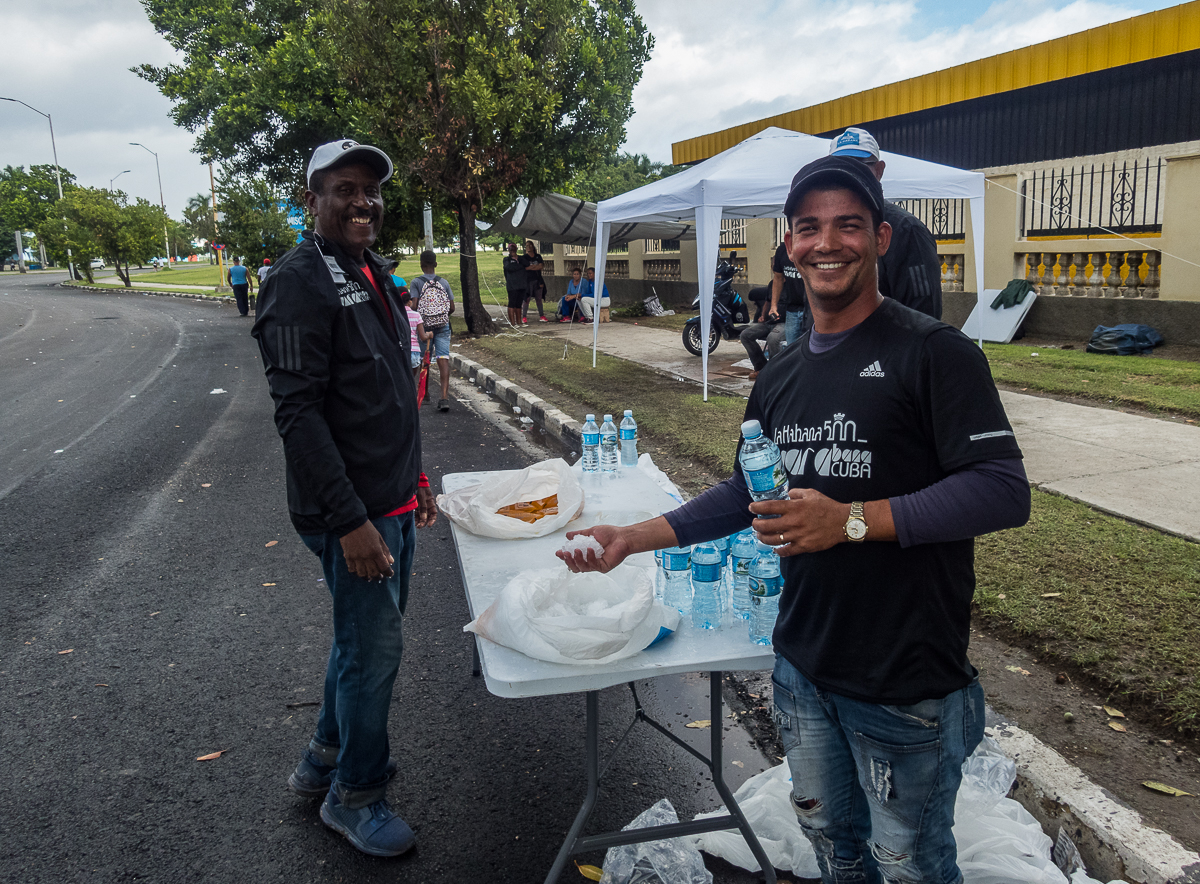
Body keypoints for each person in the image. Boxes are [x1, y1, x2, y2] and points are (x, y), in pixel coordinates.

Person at [558, 155, 1030, 884]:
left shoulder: (934, 353)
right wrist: (636, 536)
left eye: (848, 225)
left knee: (910, 863)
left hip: (905, 682)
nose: (827, 242)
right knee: (832, 847)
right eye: (809, 228)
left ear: (881, 237)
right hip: (803, 667)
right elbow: (747, 491)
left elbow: (1002, 490)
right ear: (789, 245)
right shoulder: (780, 371)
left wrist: (850, 521)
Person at [251, 138, 437, 858]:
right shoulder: (299, 281)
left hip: (390, 500)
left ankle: (323, 757)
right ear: (313, 201)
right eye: (345, 189)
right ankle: (355, 796)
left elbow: (387, 390)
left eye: (372, 190)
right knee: (374, 651)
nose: (364, 201)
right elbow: (298, 414)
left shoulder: (369, 270)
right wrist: (352, 521)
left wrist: (414, 478)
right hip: (350, 515)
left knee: (361, 643)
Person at [829, 127, 943, 319]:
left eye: (860, 166)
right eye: (839, 167)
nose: (848, 175)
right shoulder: (823, 230)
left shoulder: (908, 231)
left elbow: (924, 313)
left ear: (879, 170)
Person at [410, 249, 454, 412]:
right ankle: (444, 397)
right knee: (443, 359)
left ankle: (425, 393)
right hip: (443, 326)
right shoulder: (444, 282)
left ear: (421, 265)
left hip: (424, 326)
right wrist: (440, 316)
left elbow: (414, 306)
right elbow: (452, 307)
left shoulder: (416, 282)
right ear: (436, 264)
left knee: (424, 359)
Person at [770, 241, 807, 345]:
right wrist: (773, 306)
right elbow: (778, 278)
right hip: (792, 310)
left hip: (811, 311)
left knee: (811, 348)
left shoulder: (810, 247)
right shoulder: (782, 250)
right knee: (791, 347)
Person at [738, 298, 784, 378]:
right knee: (745, 335)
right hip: (770, 322)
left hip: (786, 322)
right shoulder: (772, 287)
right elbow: (767, 300)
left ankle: (774, 370)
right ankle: (760, 367)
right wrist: (763, 315)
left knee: (772, 338)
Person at [400, 287, 429, 383]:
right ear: (409, 301)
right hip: (414, 351)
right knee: (410, 380)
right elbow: (423, 337)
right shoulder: (416, 315)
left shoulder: (395, 315)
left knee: (401, 380)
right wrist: (429, 335)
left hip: (401, 351)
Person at [519, 240, 548, 324]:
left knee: (539, 298)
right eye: (527, 246)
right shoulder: (524, 258)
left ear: (533, 247)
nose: (528, 247)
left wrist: (532, 267)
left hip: (538, 280)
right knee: (526, 299)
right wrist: (534, 266)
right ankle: (524, 316)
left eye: (530, 245)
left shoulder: (538, 256)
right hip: (528, 281)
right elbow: (525, 268)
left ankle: (541, 315)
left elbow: (541, 266)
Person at [502, 242, 527, 327]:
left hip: (521, 284)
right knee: (512, 303)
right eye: (510, 249)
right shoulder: (506, 260)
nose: (512, 250)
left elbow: (527, 264)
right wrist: (520, 267)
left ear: (516, 249)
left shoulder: (521, 258)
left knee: (519, 303)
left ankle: (519, 322)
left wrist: (519, 266)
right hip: (512, 285)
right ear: (508, 250)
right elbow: (509, 268)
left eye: (513, 248)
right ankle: (513, 323)